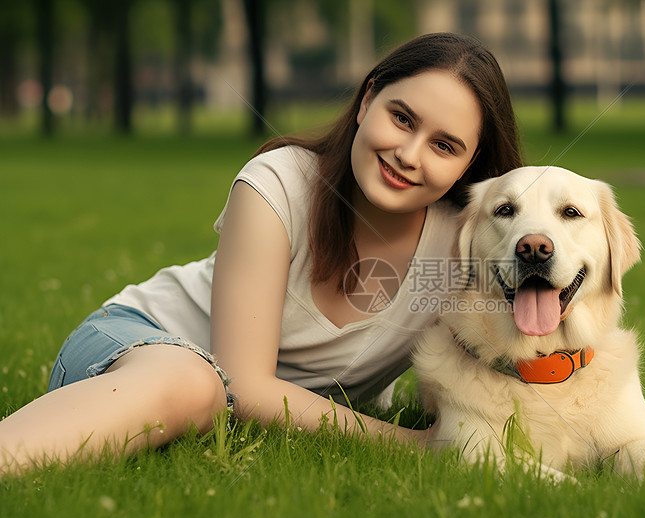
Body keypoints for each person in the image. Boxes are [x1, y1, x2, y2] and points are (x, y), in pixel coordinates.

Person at [0, 33, 523, 472]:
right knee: (195, 384)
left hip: (207, 401)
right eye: (403, 119)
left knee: (202, 396)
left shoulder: (467, 242)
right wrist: (411, 444)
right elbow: (244, 386)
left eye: (444, 145)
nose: (408, 155)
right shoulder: (279, 184)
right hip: (132, 345)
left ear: (472, 165)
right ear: (367, 101)